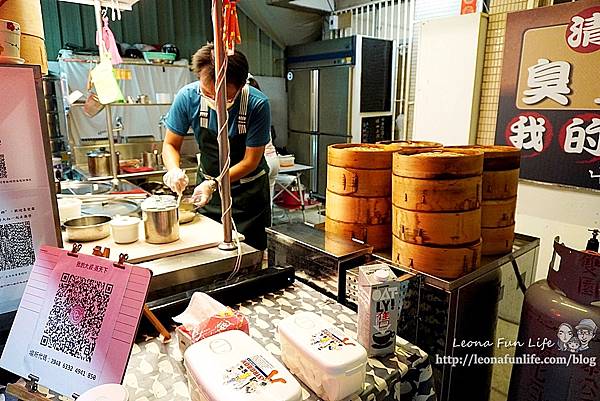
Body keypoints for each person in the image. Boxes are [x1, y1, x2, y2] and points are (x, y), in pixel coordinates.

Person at [162, 43, 271, 250]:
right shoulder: (188, 97)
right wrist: (174, 170)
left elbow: (250, 161)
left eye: (225, 97)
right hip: (206, 195)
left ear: (241, 86)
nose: (214, 100)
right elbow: (170, 144)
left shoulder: (257, 105)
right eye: (207, 93)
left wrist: (215, 183)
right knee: (208, 250)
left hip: (249, 194)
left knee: (250, 253)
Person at [246, 74, 280, 209]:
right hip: (273, 159)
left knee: (255, 208)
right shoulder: (261, 106)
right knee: (267, 206)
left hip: (262, 162)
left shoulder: (249, 107)